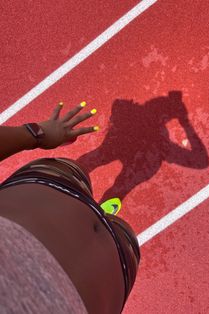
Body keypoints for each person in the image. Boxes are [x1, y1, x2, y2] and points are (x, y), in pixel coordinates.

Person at [0, 101, 140, 314]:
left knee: (122, 229)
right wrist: (36, 133)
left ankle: (99, 213)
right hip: (56, 192)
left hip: (118, 259)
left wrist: (38, 133)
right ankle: (96, 211)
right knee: (70, 170)